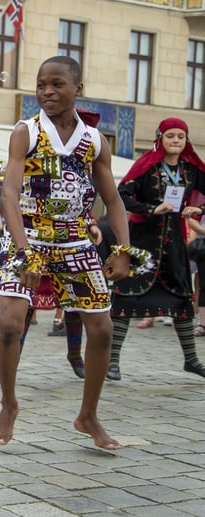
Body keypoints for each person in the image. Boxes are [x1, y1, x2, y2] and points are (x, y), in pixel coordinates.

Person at [0, 56, 140, 451]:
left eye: (57, 85)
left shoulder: (95, 141)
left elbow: (114, 200)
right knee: (9, 324)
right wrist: (22, 252)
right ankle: (9, 403)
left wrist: (123, 250)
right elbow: (8, 192)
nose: (47, 92)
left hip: (74, 239)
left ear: (78, 89)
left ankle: (87, 414)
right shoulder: (26, 131)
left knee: (103, 329)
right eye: (41, 85)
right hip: (28, 235)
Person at [109, 117, 205, 380]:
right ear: (160, 138)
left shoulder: (191, 169)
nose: (176, 140)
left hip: (173, 244)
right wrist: (151, 208)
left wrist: (199, 209)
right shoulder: (147, 167)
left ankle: (192, 360)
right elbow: (122, 196)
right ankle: (112, 362)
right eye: (170, 135)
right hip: (143, 243)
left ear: (186, 141)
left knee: (182, 298)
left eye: (180, 136)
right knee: (126, 297)